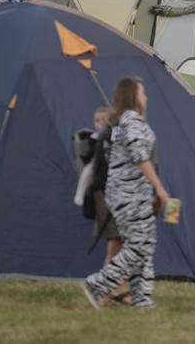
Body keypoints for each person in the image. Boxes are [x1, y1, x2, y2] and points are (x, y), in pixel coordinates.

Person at [82, 78, 169, 310]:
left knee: (145, 243)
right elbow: (140, 157)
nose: (146, 97)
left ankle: (142, 298)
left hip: (135, 194)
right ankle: (97, 284)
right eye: (143, 93)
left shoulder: (129, 122)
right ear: (133, 96)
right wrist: (160, 189)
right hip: (127, 195)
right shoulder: (131, 122)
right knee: (139, 245)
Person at [73, 108, 128, 305]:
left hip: (114, 199)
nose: (101, 124)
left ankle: (116, 288)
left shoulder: (111, 142)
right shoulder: (99, 143)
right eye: (98, 121)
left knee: (120, 246)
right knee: (116, 245)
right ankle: (102, 290)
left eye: (104, 120)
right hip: (107, 199)